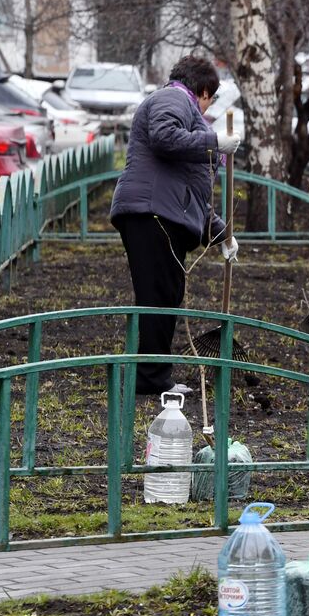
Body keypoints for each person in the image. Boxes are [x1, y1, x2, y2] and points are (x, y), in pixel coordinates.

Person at [109, 55, 240, 396]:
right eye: (210, 99)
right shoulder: (173, 98)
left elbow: (188, 191)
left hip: (159, 213)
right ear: (203, 91)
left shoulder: (183, 108)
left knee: (165, 294)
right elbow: (165, 137)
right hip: (151, 213)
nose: (208, 107)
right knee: (158, 297)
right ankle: (152, 379)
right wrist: (214, 143)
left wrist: (223, 233)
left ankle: (151, 376)